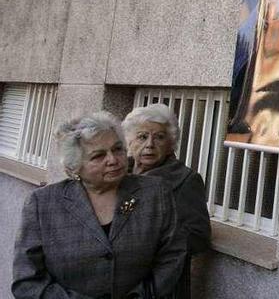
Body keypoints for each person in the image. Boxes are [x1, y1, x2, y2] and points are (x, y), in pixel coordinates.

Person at [12, 112, 186, 298]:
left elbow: (172, 256)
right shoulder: (42, 203)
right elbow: (27, 280)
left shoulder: (155, 193)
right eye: (98, 156)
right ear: (74, 167)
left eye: (117, 149)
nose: (113, 160)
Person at [123, 104, 212, 299]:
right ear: (129, 141)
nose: (150, 145)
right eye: (142, 136)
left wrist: (151, 239)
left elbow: (199, 237)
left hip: (159, 283)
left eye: (159, 137)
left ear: (171, 143)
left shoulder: (185, 180)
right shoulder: (118, 175)